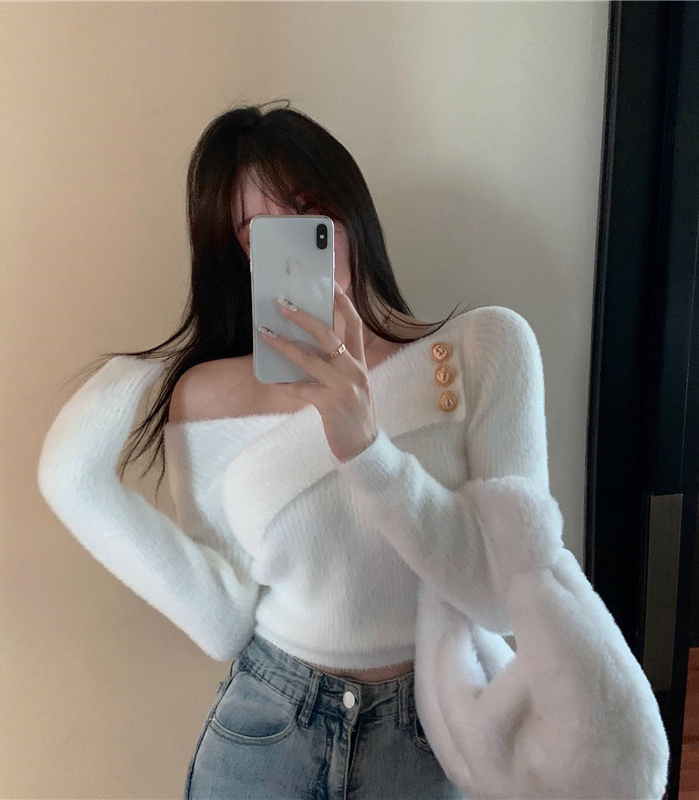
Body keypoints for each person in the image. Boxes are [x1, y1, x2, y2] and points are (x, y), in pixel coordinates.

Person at [37, 100, 550, 799]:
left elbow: (506, 600)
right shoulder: (204, 396)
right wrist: (81, 468)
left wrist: (366, 447)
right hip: (267, 731)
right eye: (259, 233)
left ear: (353, 213)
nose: (295, 244)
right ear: (237, 256)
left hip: (436, 735)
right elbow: (224, 622)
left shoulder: (480, 350)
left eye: (310, 213)